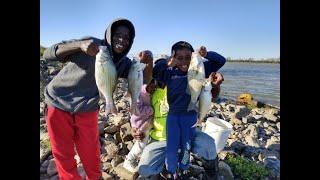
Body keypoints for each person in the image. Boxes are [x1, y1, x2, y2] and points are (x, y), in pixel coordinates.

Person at [43, 18, 138, 180]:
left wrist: (148, 62)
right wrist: (79, 45)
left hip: (87, 109)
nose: (122, 39)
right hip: (58, 102)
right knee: (63, 154)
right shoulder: (90, 42)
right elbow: (48, 54)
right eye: (117, 34)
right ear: (109, 34)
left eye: (127, 37)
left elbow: (143, 78)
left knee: (92, 154)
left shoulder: (123, 63)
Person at [136, 42, 226, 180]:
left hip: (188, 120)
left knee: (193, 147)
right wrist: (168, 62)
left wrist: (206, 55)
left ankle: (199, 170)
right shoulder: (162, 80)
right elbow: (156, 72)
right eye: (179, 58)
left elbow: (220, 61)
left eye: (187, 57)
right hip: (163, 134)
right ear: (172, 59)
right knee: (149, 166)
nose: (184, 61)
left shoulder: (198, 69)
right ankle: (168, 170)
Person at [123, 79, 156, 173]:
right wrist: (151, 110)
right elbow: (137, 110)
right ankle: (129, 160)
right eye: (151, 86)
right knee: (141, 143)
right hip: (139, 123)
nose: (153, 88)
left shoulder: (150, 91)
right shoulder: (139, 93)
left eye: (154, 85)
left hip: (146, 120)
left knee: (146, 141)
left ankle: (142, 157)